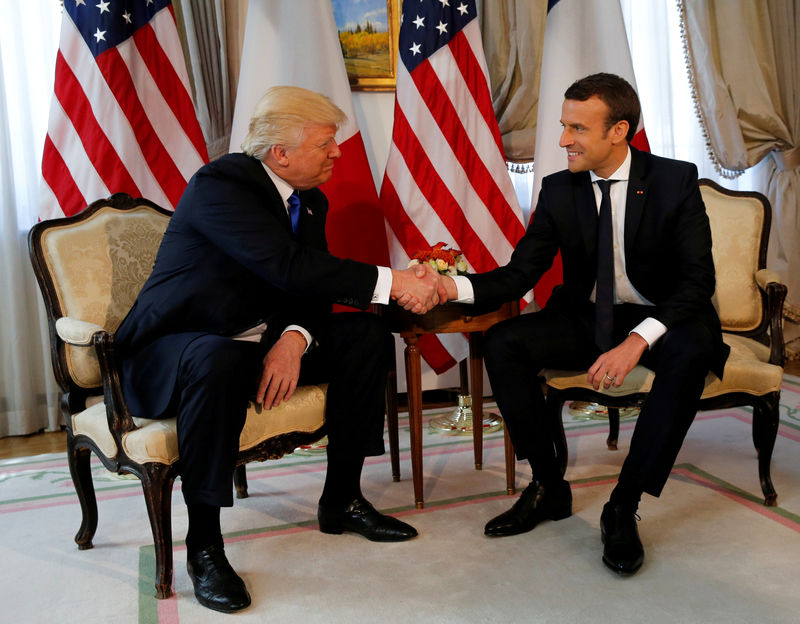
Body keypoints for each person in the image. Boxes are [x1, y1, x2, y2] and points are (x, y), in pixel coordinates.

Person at [115, 86, 441, 613]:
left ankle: (343, 500)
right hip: (174, 349)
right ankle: (204, 545)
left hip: (252, 344)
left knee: (364, 335)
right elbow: (284, 266)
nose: (337, 152)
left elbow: (308, 287)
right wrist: (394, 280)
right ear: (280, 153)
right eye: (326, 143)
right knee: (215, 357)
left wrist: (294, 339)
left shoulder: (309, 200)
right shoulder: (221, 184)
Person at [439, 73, 729, 575]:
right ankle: (549, 485)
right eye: (563, 126)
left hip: (665, 316)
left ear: (618, 131)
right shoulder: (558, 190)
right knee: (504, 341)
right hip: (588, 316)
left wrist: (637, 341)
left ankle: (624, 503)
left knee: (689, 352)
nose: (562, 141)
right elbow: (519, 274)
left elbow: (696, 282)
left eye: (576, 128)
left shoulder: (673, 181)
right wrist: (452, 288)